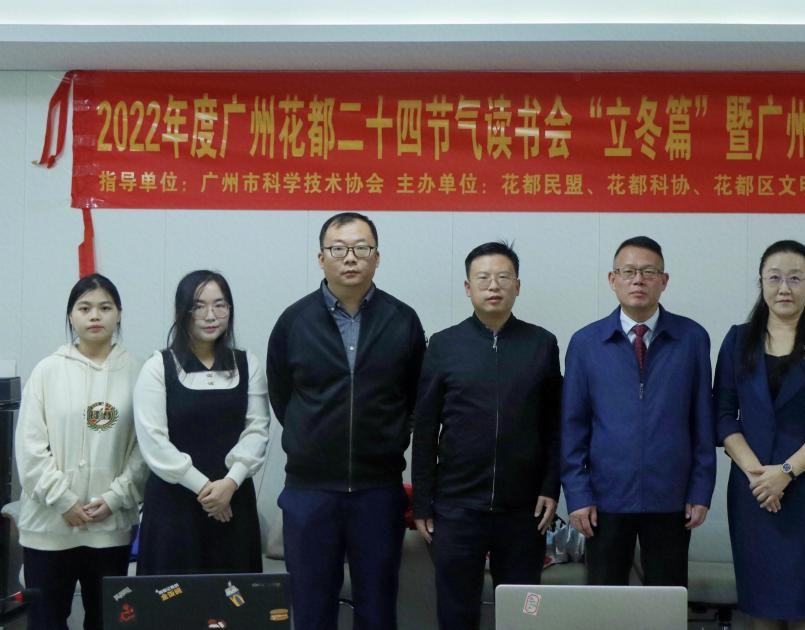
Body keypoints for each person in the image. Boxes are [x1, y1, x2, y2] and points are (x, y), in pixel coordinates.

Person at [267, 212, 426, 630]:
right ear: (321, 258)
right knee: (311, 608)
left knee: (378, 608)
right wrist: (310, 439)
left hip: (378, 491)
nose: (350, 257)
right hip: (310, 492)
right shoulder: (294, 321)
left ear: (377, 257)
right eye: (338, 249)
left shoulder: (402, 320)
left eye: (361, 248)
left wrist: (392, 437)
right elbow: (282, 396)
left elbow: (415, 397)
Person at [412, 241, 562, 629]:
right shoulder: (444, 345)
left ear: (518, 286)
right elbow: (425, 428)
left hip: (524, 510)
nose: (493, 286)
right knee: (457, 611)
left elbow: (555, 424)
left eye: (503, 277)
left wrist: (550, 486)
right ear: (468, 288)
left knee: (526, 612)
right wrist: (424, 502)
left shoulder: (541, 344)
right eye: (483, 278)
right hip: (458, 507)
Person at [561, 235, 715, 586]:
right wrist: (578, 494)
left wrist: (700, 490)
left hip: (671, 498)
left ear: (664, 280)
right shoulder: (586, 343)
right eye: (628, 272)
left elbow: (702, 423)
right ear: (612, 279)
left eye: (649, 272)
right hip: (605, 499)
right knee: (605, 603)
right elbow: (573, 426)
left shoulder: (691, 338)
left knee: (666, 601)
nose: (638, 280)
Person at [713, 240, 805, 629]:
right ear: (761, 282)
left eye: (795, 278)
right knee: (761, 607)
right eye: (774, 278)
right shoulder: (738, 340)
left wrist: (785, 473)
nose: (784, 288)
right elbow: (722, 415)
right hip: (753, 490)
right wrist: (759, 475)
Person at [14, 273, 147, 630]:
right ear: (70, 316)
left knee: (106, 621)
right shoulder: (47, 371)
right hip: (49, 528)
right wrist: (63, 500)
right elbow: (29, 448)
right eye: (84, 308)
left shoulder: (140, 372)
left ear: (119, 314)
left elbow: (145, 448)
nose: (95, 316)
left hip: (110, 527)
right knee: (46, 621)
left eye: (105, 307)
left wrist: (115, 498)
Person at [133, 270, 268, 574]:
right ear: (182, 312)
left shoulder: (247, 363)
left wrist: (229, 484)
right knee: (172, 596)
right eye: (198, 306)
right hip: (175, 505)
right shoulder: (158, 366)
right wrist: (208, 490)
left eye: (220, 305)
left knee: (233, 595)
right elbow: (154, 442)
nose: (210, 316)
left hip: (233, 500)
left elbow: (257, 430)